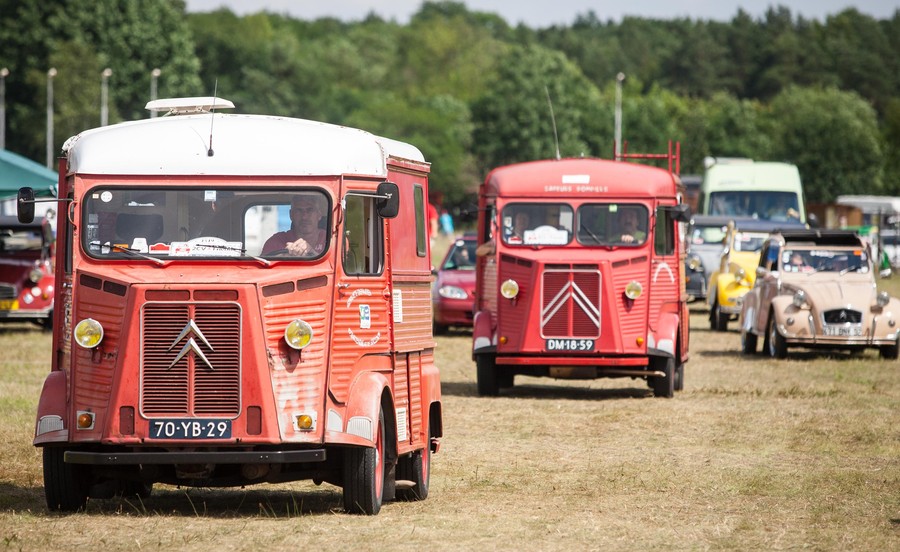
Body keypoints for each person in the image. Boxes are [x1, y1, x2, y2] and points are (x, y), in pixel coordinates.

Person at [262, 194, 328, 256]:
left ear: (319, 215)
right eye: (299, 211)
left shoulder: (330, 239)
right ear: (291, 215)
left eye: (309, 210)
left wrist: (312, 253)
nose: (304, 217)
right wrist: (285, 257)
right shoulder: (277, 241)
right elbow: (263, 265)